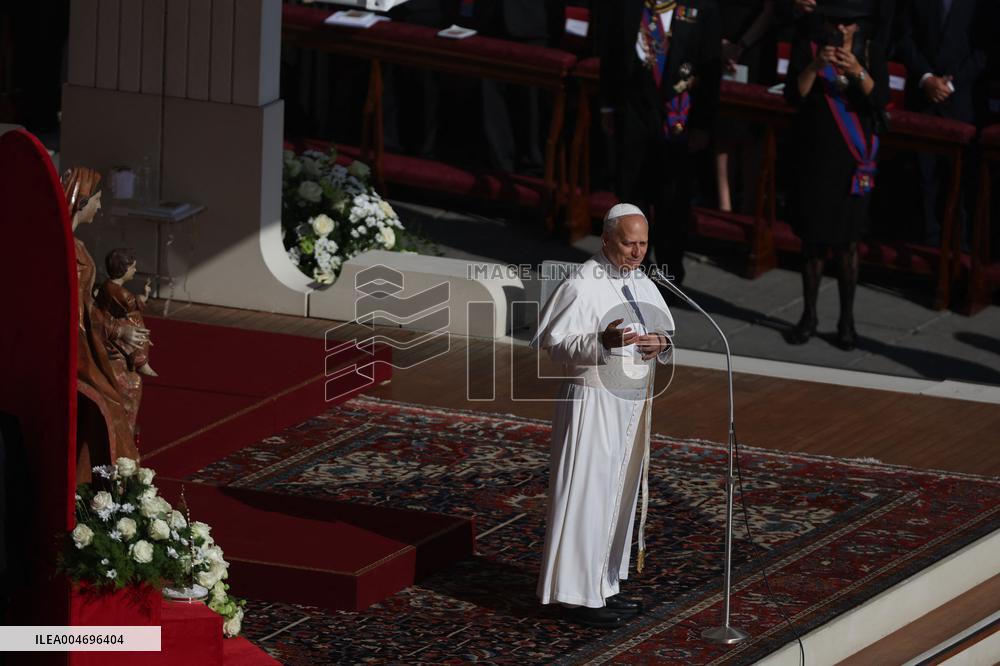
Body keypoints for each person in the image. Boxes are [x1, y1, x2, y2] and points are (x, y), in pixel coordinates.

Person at [532, 203, 675, 628]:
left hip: (628, 406)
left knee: (617, 495)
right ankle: (576, 596)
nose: (637, 252)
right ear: (607, 239)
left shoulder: (640, 280)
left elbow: (661, 331)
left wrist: (661, 343)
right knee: (587, 495)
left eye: (643, 244)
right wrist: (601, 341)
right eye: (629, 243)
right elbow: (555, 345)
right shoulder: (582, 283)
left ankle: (603, 585)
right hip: (591, 404)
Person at [784, 0, 891, 350]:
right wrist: (816, 65)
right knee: (813, 243)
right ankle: (809, 315)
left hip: (853, 162)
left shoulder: (871, 51)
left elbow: (880, 99)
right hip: (816, 158)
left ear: (859, 25)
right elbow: (793, 95)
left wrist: (857, 70)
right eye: (835, 22)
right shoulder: (809, 46)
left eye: (848, 23)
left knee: (847, 245)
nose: (841, 28)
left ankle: (847, 320)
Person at [597, 0, 722, 285]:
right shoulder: (629, 5)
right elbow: (611, 53)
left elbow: (711, 72)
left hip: (678, 118)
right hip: (633, 113)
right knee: (632, 196)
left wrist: (703, 125)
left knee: (672, 202)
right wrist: (606, 106)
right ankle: (631, 271)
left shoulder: (702, 8)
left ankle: (669, 274)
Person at [64, 167, 148, 482]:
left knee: (125, 384)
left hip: (88, 340)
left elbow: (86, 306)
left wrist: (117, 330)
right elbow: (74, 311)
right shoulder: (67, 251)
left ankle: (103, 476)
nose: (99, 207)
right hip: (75, 348)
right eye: (97, 200)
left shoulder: (77, 246)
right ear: (82, 202)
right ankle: (108, 479)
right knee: (113, 397)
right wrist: (115, 331)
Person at [896, 0, 991, 247]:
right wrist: (926, 78)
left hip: (963, 103)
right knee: (923, 179)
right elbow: (903, 36)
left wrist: (951, 84)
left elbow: (986, 49)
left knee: (960, 184)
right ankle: (925, 247)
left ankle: (960, 249)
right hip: (922, 98)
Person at [97, 249, 158, 378]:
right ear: (123, 269)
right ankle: (140, 360)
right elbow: (133, 305)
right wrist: (144, 296)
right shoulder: (122, 293)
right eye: (133, 267)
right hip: (113, 321)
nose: (135, 270)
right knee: (137, 324)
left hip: (112, 317)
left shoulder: (107, 285)